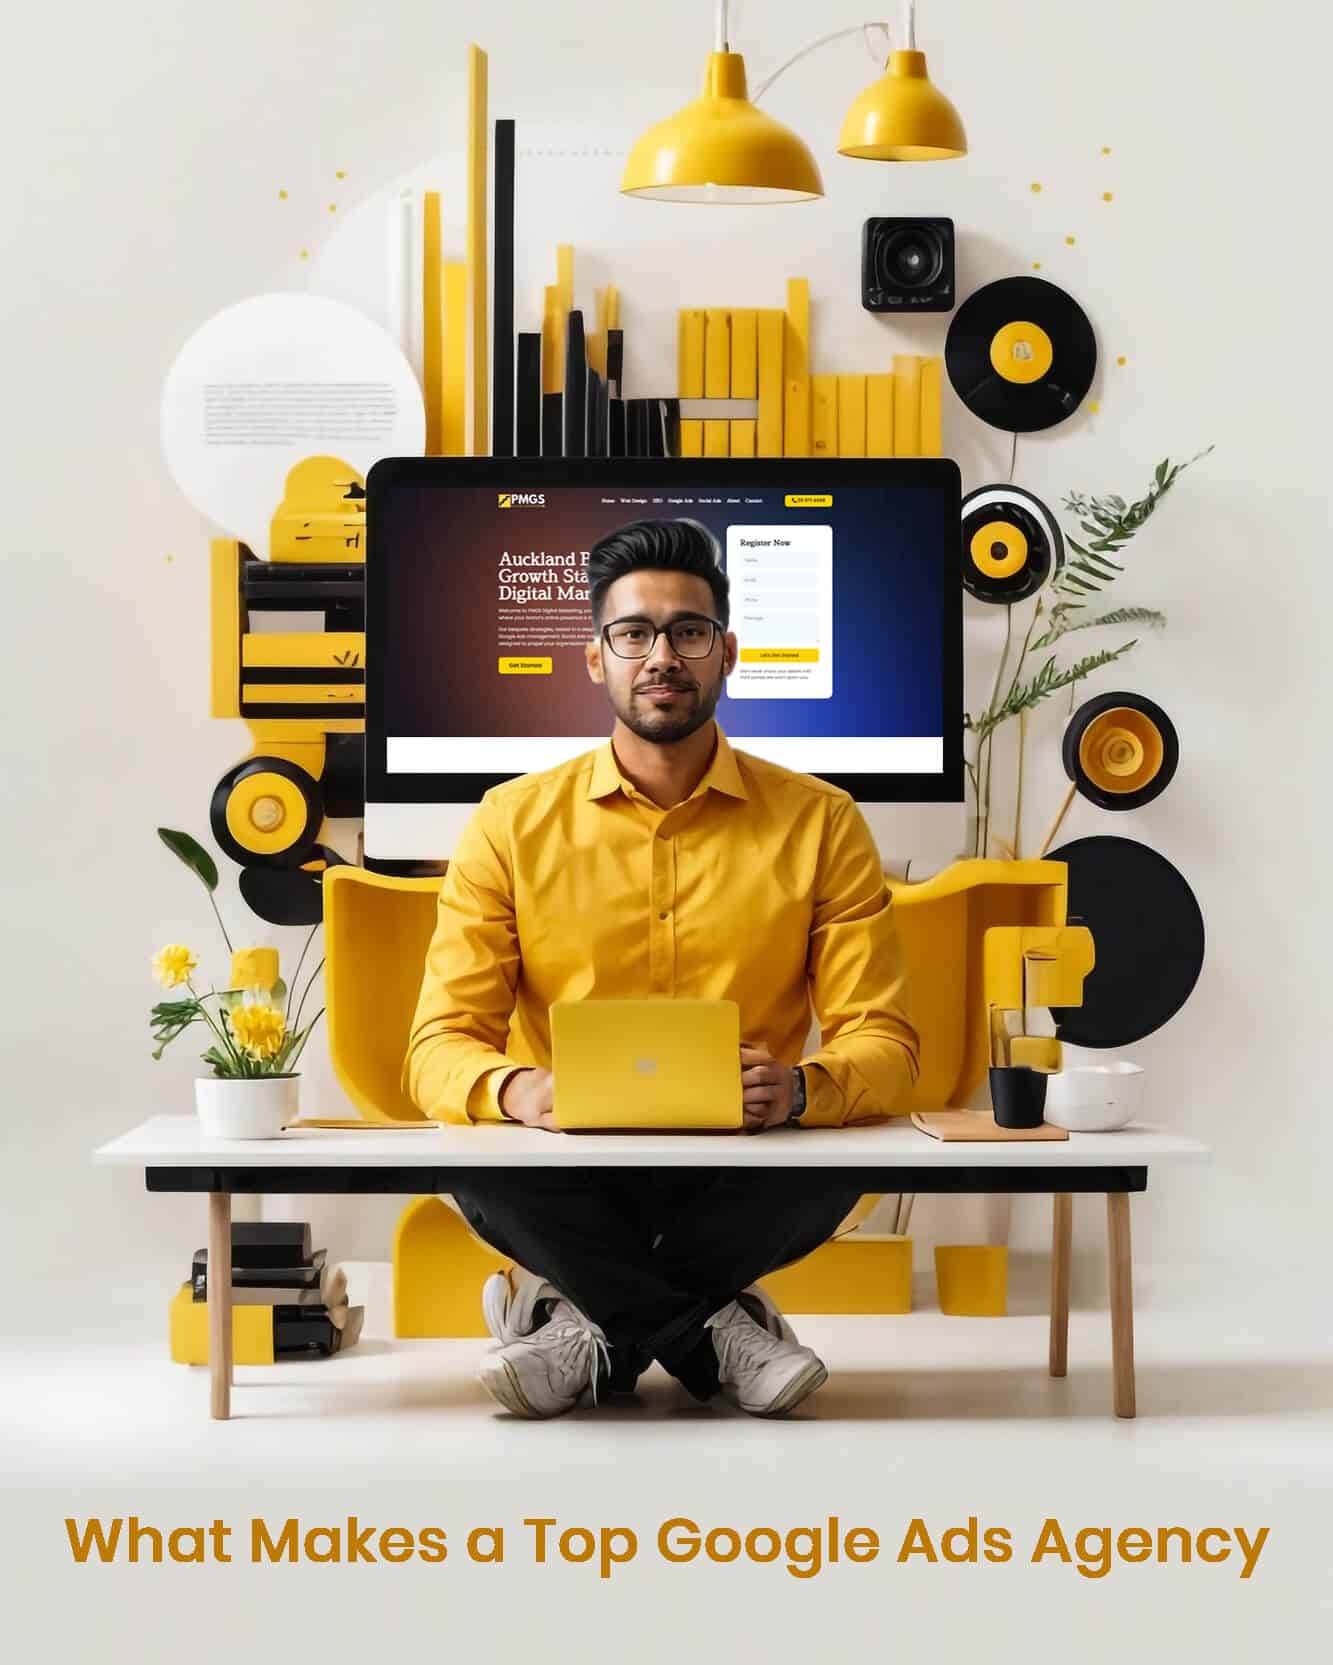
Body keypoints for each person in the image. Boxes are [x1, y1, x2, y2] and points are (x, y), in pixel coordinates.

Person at [404, 517, 920, 1418]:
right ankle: (715, 1329)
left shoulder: (821, 820)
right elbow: (437, 1047)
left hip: (740, 1163)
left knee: (843, 1152)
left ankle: (578, 1318)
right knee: (475, 1153)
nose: (661, 656)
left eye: (687, 632)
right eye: (633, 633)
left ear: (728, 653)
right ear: (594, 657)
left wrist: (799, 1089)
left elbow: (886, 1045)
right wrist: (522, 1090)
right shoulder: (508, 822)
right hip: (570, 1164)